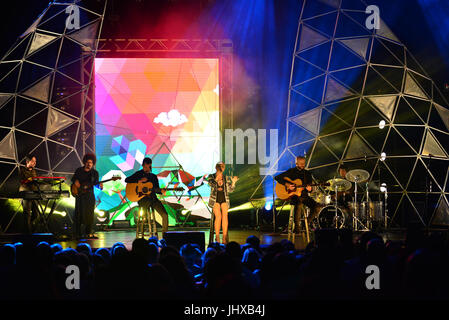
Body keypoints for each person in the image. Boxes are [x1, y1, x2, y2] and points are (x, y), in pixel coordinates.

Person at [275, 156, 319, 233]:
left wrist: (310, 189)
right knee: (298, 204)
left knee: (316, 207)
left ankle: (304, 224)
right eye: (301, 163)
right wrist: (287, 185)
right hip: (294, 197)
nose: (303, 165)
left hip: (304, 196)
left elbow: (309, 188)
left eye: (304, 163)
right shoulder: (291, 171)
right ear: (296, 163)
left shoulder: (308, 174)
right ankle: (296, 227)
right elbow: (277, 177)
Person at [125, 157, 169, 235]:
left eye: (148, 166)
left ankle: (165, 234)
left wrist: (161, 191)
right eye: (144, 166)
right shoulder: (138, 174)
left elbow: (156, 189)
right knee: (145, 208)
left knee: (165, 215)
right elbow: (127, 180)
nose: (146, 168)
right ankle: (144, 221)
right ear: (142, 165)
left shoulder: (153, 177)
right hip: (143, 200)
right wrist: (139, 181)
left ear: (150, 165)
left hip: (153, 199)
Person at [71, 153, 102, 239]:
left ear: (93, 164)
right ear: (85, 162)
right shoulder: (79, 170)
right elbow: (73, 179)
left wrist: (100, 186)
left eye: (91, 163)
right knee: (78, 214)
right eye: (88, 162)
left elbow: (96, 184)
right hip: (80, 196)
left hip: (89, 196)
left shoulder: (94, 173)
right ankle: (77, 233)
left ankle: (88, 232)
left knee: (90, 214)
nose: (89, 164)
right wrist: (75, 181)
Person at [207, 161, 238, 244]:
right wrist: (216, 179)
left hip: (224, 199)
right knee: (218, 216)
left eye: (223, 167)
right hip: (215, 200)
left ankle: (224, 237)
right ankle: (217, 236)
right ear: (216, 167)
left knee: (225, 215)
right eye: (220, 167)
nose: (222, 168)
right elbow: (211, 184)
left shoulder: (226, 178)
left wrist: (234, 182)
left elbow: (230, 190)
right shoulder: (211, 176)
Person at [19, 155, 38, 233]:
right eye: (33, 161)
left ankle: (31, 229)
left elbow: (35, 181)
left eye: (35, 161)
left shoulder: (34, 171)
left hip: (34, 193)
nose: (34, 163)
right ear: (27, 162)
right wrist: (31, 179)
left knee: (36, 214)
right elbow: (23, 181)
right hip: (26, 193)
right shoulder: (22, 170)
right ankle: (28, 233)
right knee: (27, 214)